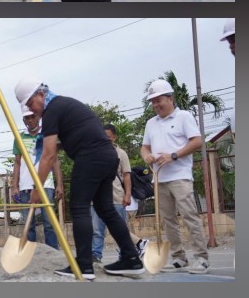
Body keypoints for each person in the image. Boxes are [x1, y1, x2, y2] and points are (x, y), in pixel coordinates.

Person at [15, 75, 143, 279]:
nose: (33, 109)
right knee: (105, 209)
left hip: (90, 158)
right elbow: (69, 139)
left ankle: (84, 266)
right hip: (107, 157)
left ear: (41, 94)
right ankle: (132, 259)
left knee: (79, 207)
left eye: (32, 103)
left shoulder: (52, 111)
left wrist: (36, 188)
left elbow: (48, 156)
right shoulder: (65, 104)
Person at [140, 79, 210, 274]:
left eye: (158, 100)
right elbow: (144, 147)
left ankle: (201, 258)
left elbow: (197, 141)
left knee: (189, 216)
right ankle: (179, 258)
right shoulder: (151, 123)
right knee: (168, 219)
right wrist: (146, 155)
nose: (155, 105)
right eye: (152, 102)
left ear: (170, 98)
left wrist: (173, 156)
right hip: (159, 178)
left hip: (180, 176)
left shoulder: (184, 117)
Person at [92, 123, 149, 264]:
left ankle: (132, 249)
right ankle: (96, 255)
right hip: (96, 198)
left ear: (115, 138)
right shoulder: (93, 152)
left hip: (116, 196)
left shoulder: (121, 154)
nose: (105, 140)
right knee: (96, 229)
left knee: (119, 228)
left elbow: (126, 175)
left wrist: (128, 194)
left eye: (109, 137)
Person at [11, 108, 62, 250]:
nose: (30, 120)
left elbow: (55, 161)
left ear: (38, 117)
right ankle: (31, 254)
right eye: (27, 118)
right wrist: (15, 185)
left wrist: (60, 185)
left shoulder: (47, 135)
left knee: (49, 222)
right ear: (23, 120)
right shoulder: (19, 137)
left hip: (46, 183)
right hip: (25, 186)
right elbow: (17, 163)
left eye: (32, 117)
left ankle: (53, 252)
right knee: (28, 224)